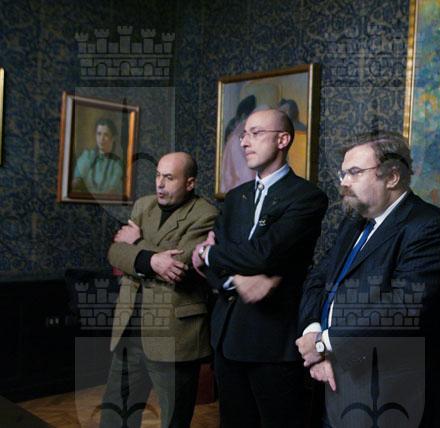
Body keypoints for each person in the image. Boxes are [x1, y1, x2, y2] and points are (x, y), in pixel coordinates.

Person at [296, 131, 440, 427]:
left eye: (355, 172)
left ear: (392, 176)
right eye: (343, 174)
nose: (344, 182)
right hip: (330, 378)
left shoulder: (430, 227)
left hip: (383, 392)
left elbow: (405, 309)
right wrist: (312, 332)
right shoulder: (354, 222)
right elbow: (317, 280)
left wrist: (325, 343)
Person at [192, 109, 328, 428]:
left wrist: (209, 253)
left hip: (273, 340)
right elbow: (216, 264)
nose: (244, 142)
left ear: (283, 140)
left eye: (255, 133)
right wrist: (233, 277)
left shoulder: (307, 197)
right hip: (227, 336)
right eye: (243, 135)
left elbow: (264, 254)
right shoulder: (234, 198)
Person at [101, 152, 217, 428]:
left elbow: (180, 266)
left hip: (174, 334)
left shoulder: (206, 214)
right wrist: (153, 260)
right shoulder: (143, 205)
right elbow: (115, 252)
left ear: (190, 183)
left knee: (174, 419)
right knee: (115, 415)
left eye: (169, 178)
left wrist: (137, 243)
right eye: (157, 176)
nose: (160, 184)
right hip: (130, 328)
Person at [72, 118, 124, 194]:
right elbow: (77, 181)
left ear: (113, 138)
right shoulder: (87, 156)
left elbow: (112, 190)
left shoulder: (117, 163)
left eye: (106, 135)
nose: (101, 138)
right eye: (99, 134)